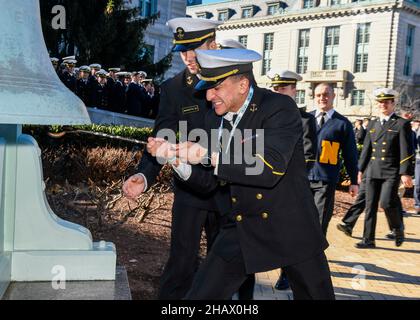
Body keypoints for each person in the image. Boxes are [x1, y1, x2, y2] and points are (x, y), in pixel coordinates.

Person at [166, 48, 334, 300]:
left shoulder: (278, 107)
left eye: (216, 87)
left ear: (243, 84)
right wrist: (179, 162)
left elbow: (270, 166)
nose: (209, 95)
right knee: (198, 297)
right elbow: (210, 182)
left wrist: (207, 156)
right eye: (208, 88)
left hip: (290, 224)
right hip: (243, 225)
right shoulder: (214, 119)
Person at [122, 17, 224, 300]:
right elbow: (162, 138)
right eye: (183, 51)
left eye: (195, 49)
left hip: (229, 187)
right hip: (190, 190)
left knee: (228, 266)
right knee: (181, 265)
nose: (188, 58)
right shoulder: (173, 88)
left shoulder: (233, 81)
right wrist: (144, 175)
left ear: (213, 45)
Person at [266, 68, 317, 291]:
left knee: (290, 235)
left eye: (284, 88)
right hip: (265, 186)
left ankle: (287, 274)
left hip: (290, 189)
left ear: (294, 90)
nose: (279, 92)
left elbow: (309, 156)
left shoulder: (306, 120)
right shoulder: (265, 117)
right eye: (276, 88)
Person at [356, 88, 414, 248]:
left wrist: (405, 173)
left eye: (387, 102)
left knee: (387, 202)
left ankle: (398, 228)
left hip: (391, 170)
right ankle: (368, 239)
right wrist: (360, 169)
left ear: (393, 104)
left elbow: (406, 150)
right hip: (373, 169)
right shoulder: (373, 123)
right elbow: (366, 149)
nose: (383, 105)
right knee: (370, 205)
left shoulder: (401, 124)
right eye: (380, 102)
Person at [308, 83, 359, 235]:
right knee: (301, 219)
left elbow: (350, 154)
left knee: (320, 220)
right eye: (318, 95)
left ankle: (316, 256)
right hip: (302, 178)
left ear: (333, 96)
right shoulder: (304, 119)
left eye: (326, 94)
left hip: (325, 179)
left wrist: (354, 181)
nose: (322, 98)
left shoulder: (342, 124)